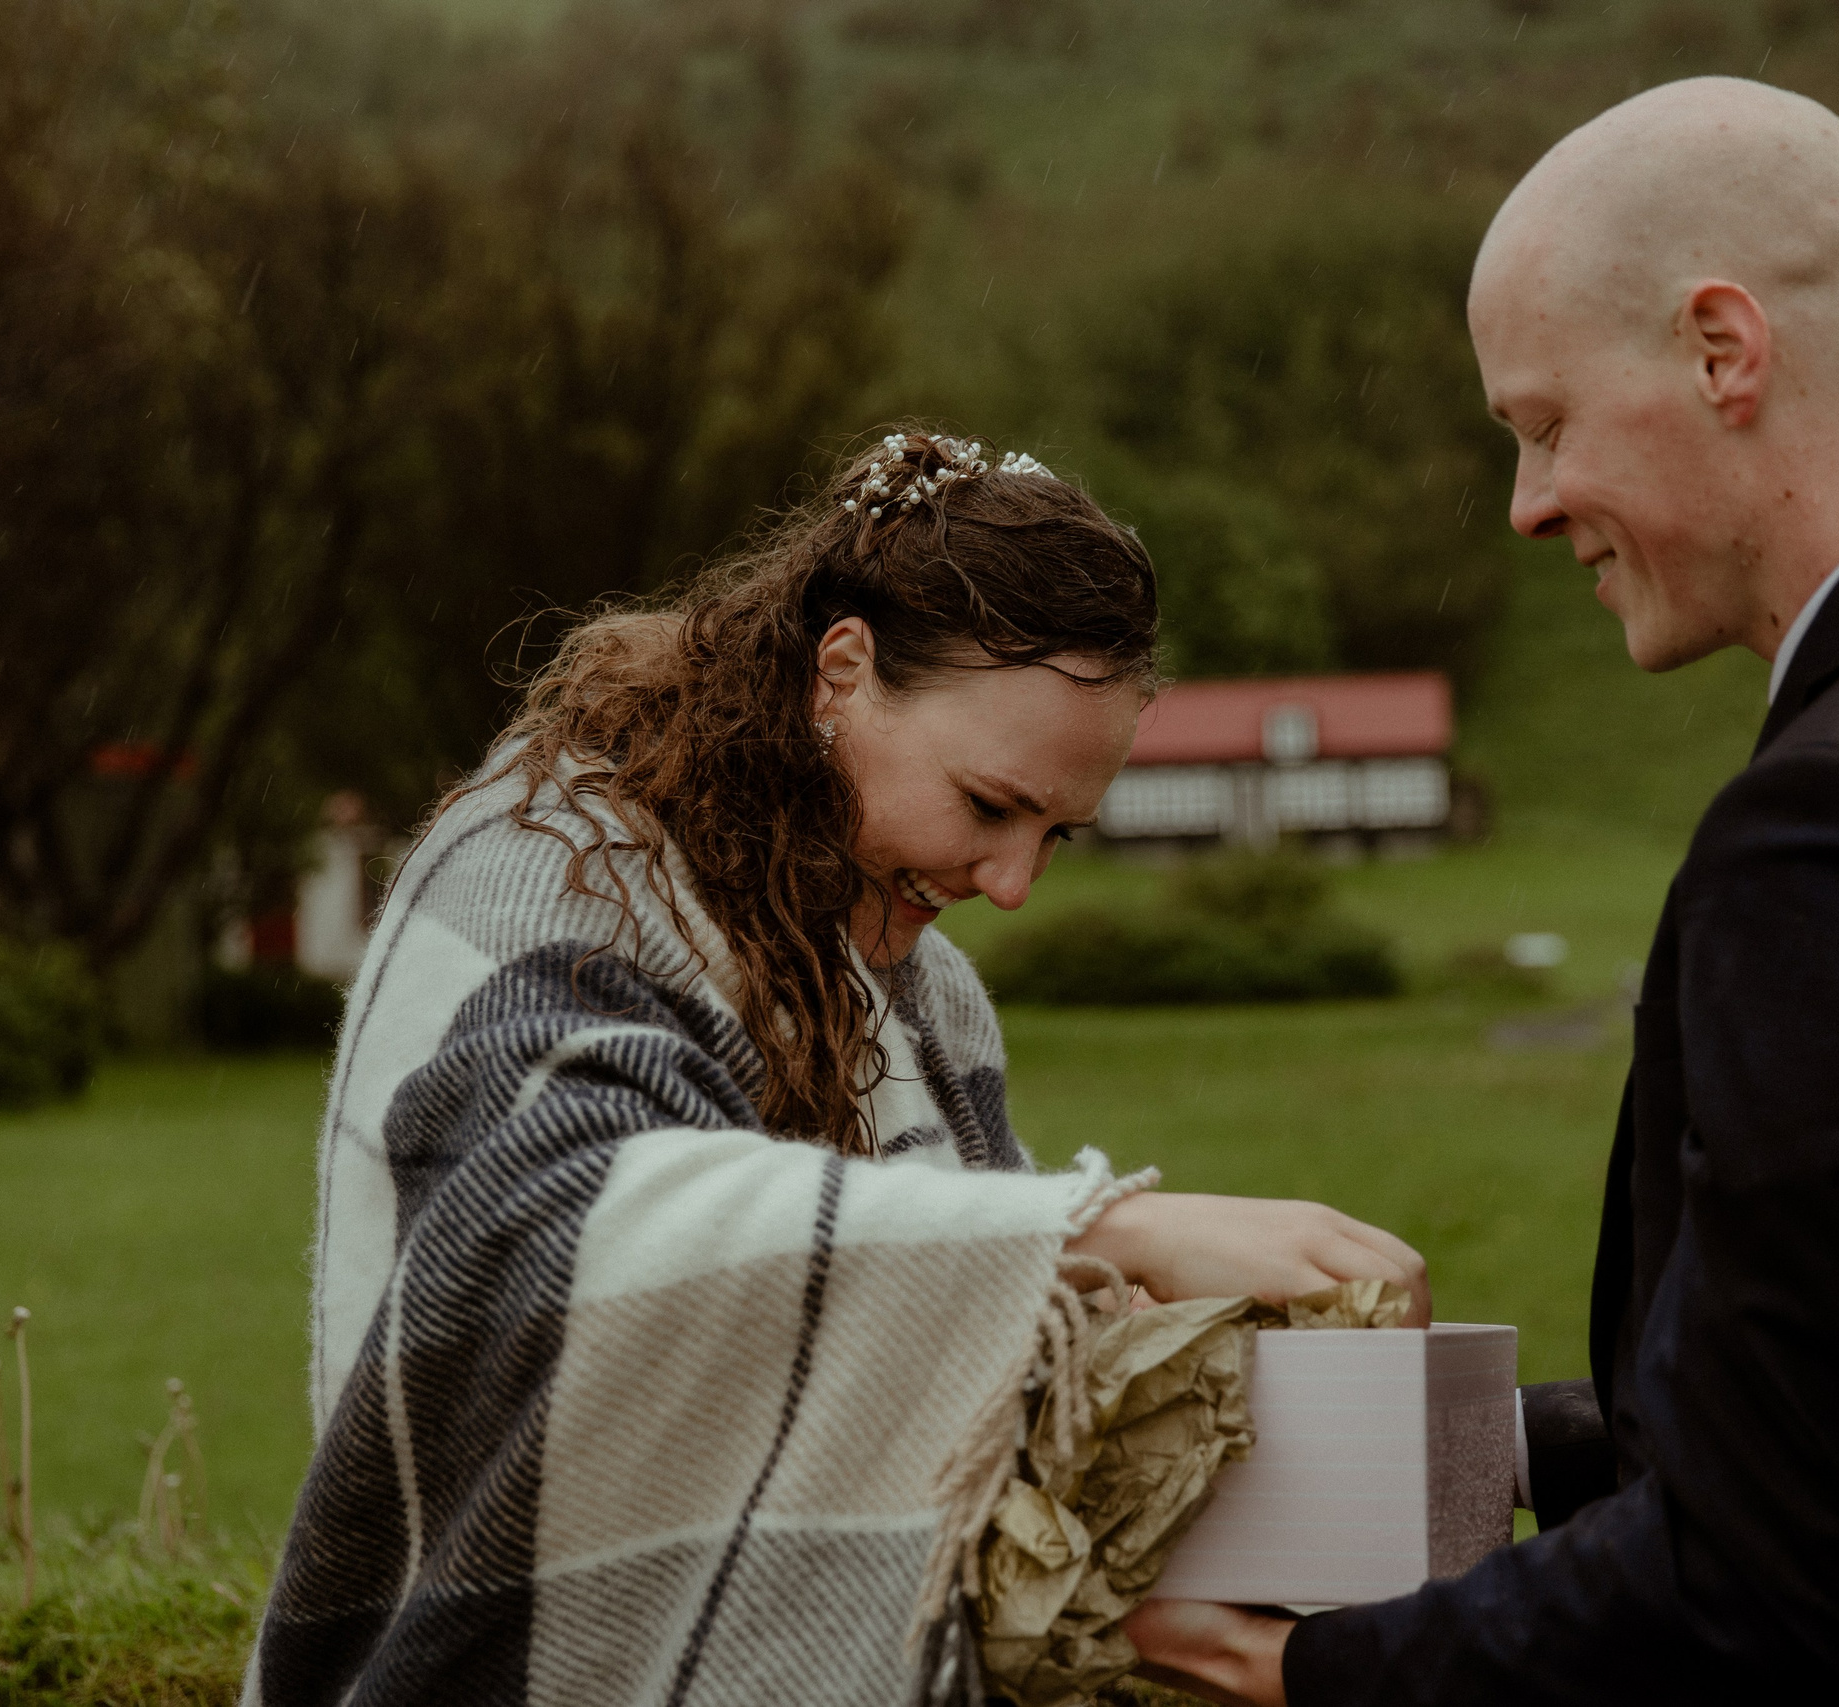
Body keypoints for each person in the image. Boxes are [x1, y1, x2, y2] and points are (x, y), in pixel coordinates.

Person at [1130, 76, 1839, 1705]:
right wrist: (1466, 1435)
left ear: (1720, 350)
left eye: (1546, 424)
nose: (1528, 503)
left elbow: (1748, 1580)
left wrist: (1299, 1667)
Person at [242, 429, 1428, 1706]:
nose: (1013, 885)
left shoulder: (926, 991)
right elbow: (555, 1221)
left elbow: (956, 1382)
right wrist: (1104, 1229)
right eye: (989, 806)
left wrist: (1165, 1363)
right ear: (842, 672)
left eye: (1057, 836)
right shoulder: (538, 868)